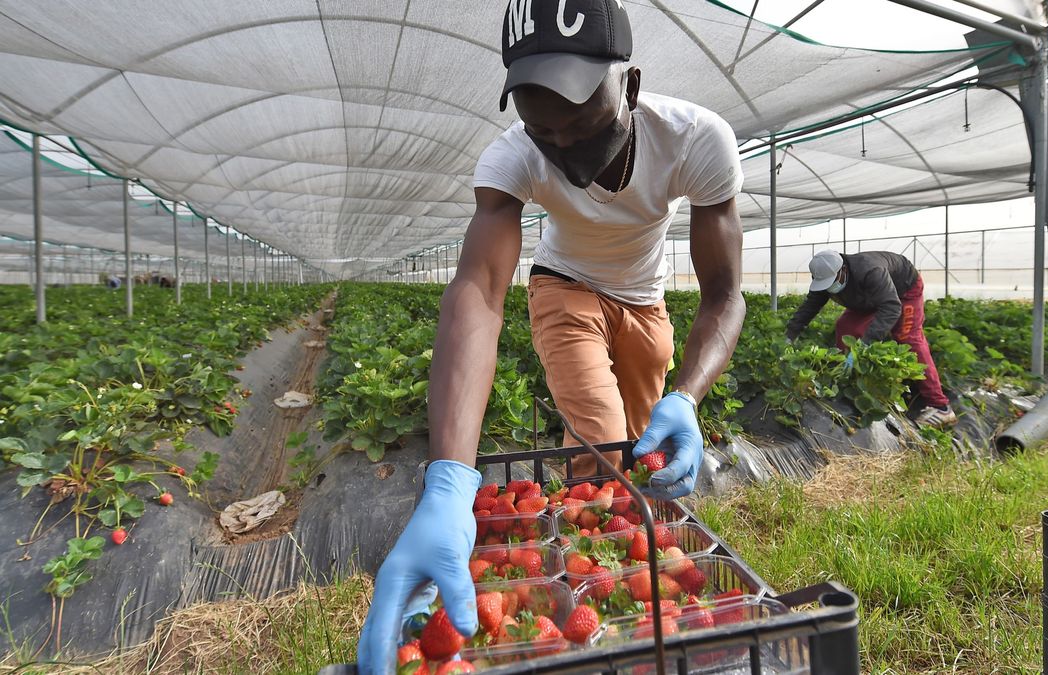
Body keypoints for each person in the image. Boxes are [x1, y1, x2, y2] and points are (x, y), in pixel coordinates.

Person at [355, 0, 746, 671]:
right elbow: (478, 291)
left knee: (645, 437)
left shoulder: (695, 138)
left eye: (584, 124)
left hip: (645, 299)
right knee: (598, 430)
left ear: (631, 84)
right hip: (563, 284)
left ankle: (621, 560)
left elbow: (724, 294)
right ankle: (584, 591)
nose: (564, 146)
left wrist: (687, 394)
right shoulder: (514, 158)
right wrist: (449, 479)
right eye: (545, 131)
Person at [785, 249, 956, 428]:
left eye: (832, 282)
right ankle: (849, 385)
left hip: (903, 289)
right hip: (870, 297)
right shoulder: (824, 279)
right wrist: (789, 336)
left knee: (907, 336)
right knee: (845, 328)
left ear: (842, 270)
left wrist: (865, 344)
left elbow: (891, 307)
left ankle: (940, 406)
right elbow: (809, 308)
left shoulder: (870, 271)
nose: (829, 287)